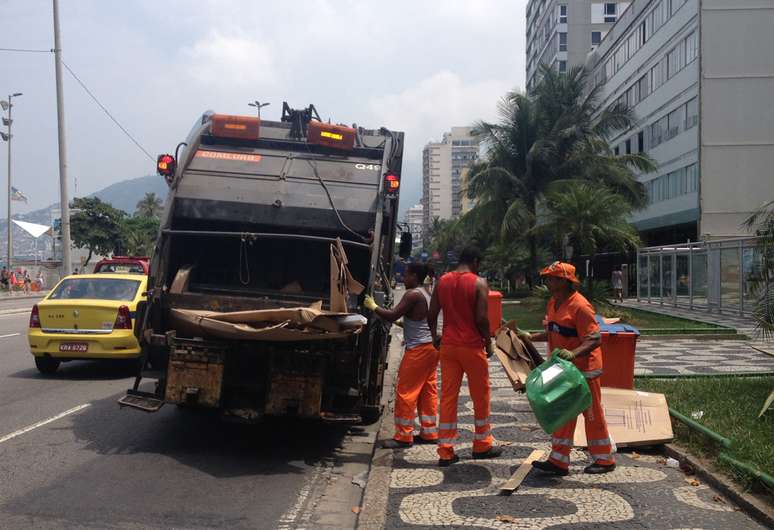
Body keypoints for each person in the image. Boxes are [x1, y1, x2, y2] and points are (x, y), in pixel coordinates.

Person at [520, 261, 616, 476]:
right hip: (564, 369)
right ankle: (559, 460)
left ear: (564, 281)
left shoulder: (580, 306)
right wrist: (532, 337)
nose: (547, 282)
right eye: (547, 278)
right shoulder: (554, 303)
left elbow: (594, 338)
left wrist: (574, 353)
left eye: (552, 278)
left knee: (592, 415)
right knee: (562, 412)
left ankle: (604, 459)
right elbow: (555, 332)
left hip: (584, 370)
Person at [428, 246, 502, 467]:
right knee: (480, 395)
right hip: (471, 347)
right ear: (476, 261)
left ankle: (446, 450)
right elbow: (481, 318)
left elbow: (431, 314)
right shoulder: (479, 283)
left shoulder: (442, 281)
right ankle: (482, 445)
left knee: (448, 397)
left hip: (448, 346)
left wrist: (435, 337)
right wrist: (488, 342)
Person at [364, 263, 439, 448]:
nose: (403, 279)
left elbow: (391, 315)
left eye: (406, 275)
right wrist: (403, 325)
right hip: (432, 347)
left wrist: (373, 306)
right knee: (427, 391)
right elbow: (421, 321)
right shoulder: (428, 293)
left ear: (414, 276)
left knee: (406, 391)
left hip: (418, 350)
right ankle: (429, 432)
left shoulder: (412, 294)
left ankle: (404, 436)